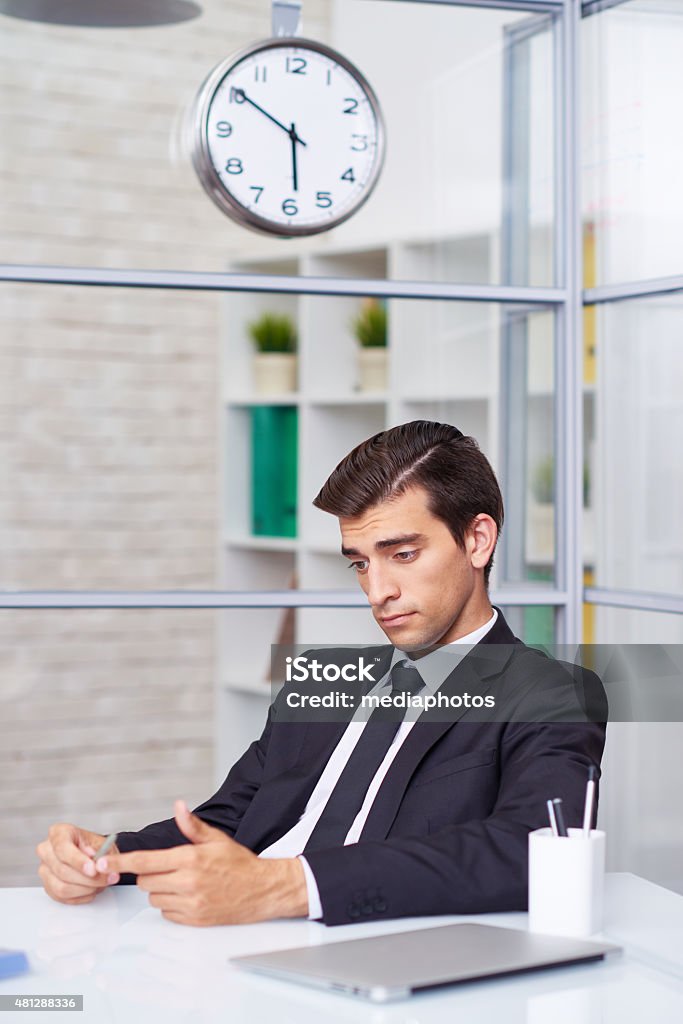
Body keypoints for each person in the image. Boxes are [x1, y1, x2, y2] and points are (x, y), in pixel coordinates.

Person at [37, 421, 605, 927]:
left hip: (365, 946)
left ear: (476, 540)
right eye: (360, 562)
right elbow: (234, 818)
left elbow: (534, 849)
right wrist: (111, 857)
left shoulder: (551, 692)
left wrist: (284, 887)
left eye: (402, 554)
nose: (378, 591)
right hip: (230, 938)